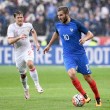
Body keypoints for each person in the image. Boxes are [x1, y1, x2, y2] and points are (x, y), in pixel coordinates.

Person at [43, 6, 102, 106]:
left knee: (87, 77)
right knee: (71, 74)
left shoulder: (76, 24)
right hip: (68, 55)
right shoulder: (58, 25)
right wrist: (49, 45)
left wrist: (84, 39)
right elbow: (56, 33)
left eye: (61, 15)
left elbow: (90, 34)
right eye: (58, 15)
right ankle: (85, 95)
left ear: (67, 14)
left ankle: (98, 98)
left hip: (80, 55)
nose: (59, 17)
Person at [7, 10, 43, 99]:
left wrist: (36, 43)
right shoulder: (11, 27)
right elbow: (9, 41)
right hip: (18, 52)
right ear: (15, 18)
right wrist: (19, 37)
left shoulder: (28, 25)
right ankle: (26, 89)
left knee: (30, 63)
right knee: (23, 74)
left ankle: (37, 85)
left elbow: (33, 32)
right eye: (18, 17)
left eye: (21, 17)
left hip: (27, 49)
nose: (20, 19)